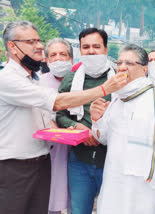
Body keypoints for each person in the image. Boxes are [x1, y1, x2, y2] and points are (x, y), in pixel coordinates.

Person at [0, 21, 126, 214]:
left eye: (39, 40)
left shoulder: (32, 79)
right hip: (16, 166)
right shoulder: (8, 80)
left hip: (42, 161)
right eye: (31, 41)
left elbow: (47, 118)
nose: (40, 46)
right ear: (12, 47)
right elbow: (58, 104)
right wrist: (103, 90)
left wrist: (69, 129)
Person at [90, 44, 155, 214]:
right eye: (119, 63)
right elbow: (103, 138)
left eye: (130, 63)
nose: (123, 67)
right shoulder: (117, 98)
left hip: (144, 186)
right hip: (114, 181)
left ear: (144, 69)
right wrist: (97, 120)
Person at [56, 27, 115, 214]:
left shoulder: (119, 80)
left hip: (112, 160)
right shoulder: (71, 79)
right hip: (79, 160)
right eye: (86, 47)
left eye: (96, 46)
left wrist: (100, 132)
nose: (91, 51)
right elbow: (59, 114)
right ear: (80, 50)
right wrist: (76, 126)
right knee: (79, 210)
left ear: (106, 49)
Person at [40, 38, 74, 214]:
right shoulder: (39, 83)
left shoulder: (80, 82)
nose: (59, 59)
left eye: (63, 54)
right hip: (50, 150)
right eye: (53, 55)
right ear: (46, 60)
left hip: (76, 152)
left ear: (71, 59)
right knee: (49, 197)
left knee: (75, 198)